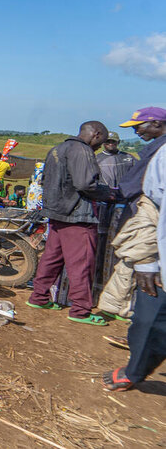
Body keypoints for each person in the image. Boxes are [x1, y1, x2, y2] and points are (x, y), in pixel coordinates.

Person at [26, 121, 115, 326]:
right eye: (100, 142)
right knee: (82, 263)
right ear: (97, 134)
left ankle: (38, 297)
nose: (100, 147)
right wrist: (108, 193)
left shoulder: (57, 149)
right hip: (78, 216)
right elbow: (85, 184)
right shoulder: (82, 150)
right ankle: (81, 310)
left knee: (51, 258)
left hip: (57, 214)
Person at [102, 142, 166, 391]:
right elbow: (149, 206)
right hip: (161, 262)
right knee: (150, 320)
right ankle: (134, 371)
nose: (137, 132)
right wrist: (146, 259)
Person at [97, 107, 166, 320]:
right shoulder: (155, 149)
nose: (137, 132)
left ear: (156, 123)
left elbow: (134, 184)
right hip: (148, 216)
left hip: (150, 218)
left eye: (139, 126)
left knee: (143, 268)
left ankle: (139, 321)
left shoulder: (159, 151)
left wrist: (109, 194)